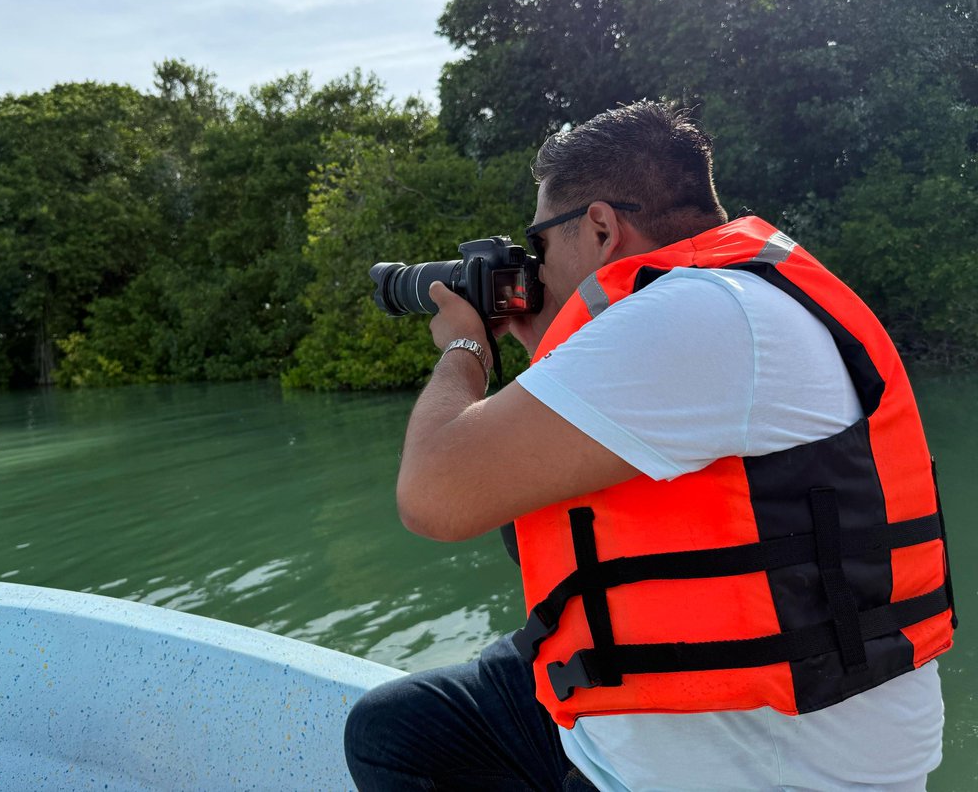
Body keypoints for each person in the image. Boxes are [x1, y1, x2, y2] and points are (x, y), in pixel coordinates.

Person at [344, 101, 954, 791]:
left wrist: (463, 346)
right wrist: (541, 341)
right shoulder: (735, 298)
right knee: (398, 730)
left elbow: (435, 495)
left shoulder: (696, 316)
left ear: (601, 226)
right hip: (686, 723)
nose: (538, 271)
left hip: (766, 771)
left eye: (540, 245)